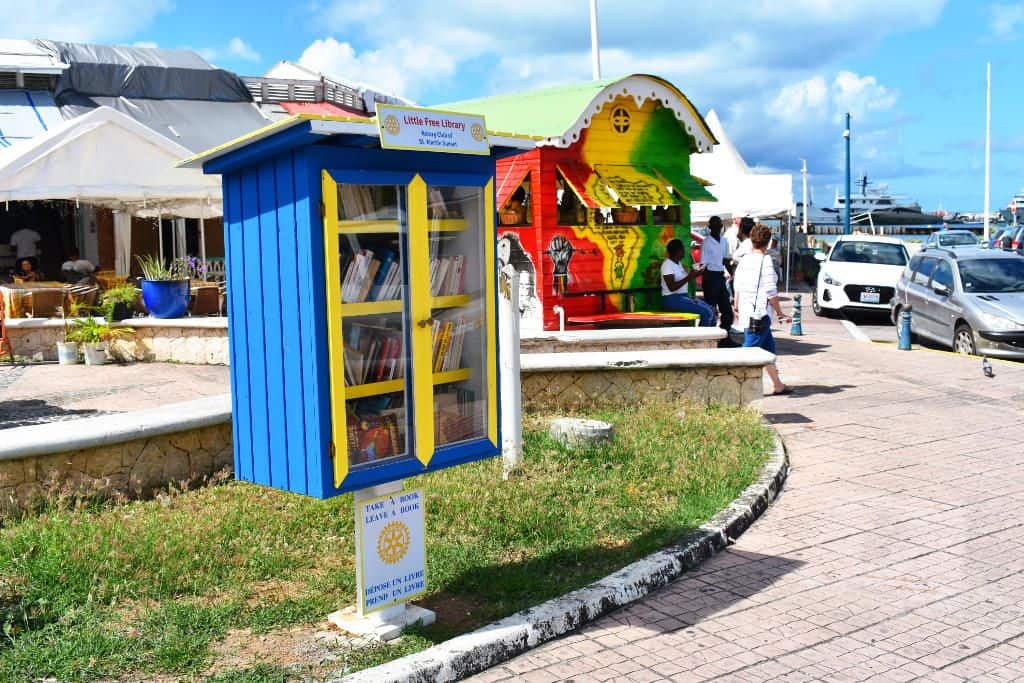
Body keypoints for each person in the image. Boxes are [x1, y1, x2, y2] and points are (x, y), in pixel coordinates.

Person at [734, 225, 792, 395]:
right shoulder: (765, 261)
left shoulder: (744, 259)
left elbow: (737, 285)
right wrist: (780, 313)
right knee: (748, 352)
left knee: (768, 350)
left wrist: (736, 306)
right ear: (768, 242)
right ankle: (735, 387)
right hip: (758, 313)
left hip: (747, 310)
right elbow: (771, 291)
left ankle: (777, 384)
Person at [661, 238, 714, 326]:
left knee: (711, 309)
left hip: (683, 297)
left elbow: (687, 278)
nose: (684, 251)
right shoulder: (667, 265)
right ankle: (701, 339)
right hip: (672, 299)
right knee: (706, 313)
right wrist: (690, 276)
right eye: (682, 249)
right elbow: (672, 287)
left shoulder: (678, 264)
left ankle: (710, 338)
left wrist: (698, 272)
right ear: (677, 251)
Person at [700, 216, 737, 345]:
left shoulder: (724, 241)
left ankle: (724, 338)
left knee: (727, 310)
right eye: (715, 226)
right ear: (710, 227)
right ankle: (709, 338)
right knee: (711, 309)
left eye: (719, 226)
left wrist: (731, 274)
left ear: (721, 227)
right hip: (710, 276)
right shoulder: (706, 242)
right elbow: (703, 264)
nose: (717, 228)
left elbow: (726, 259)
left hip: (720, 276)